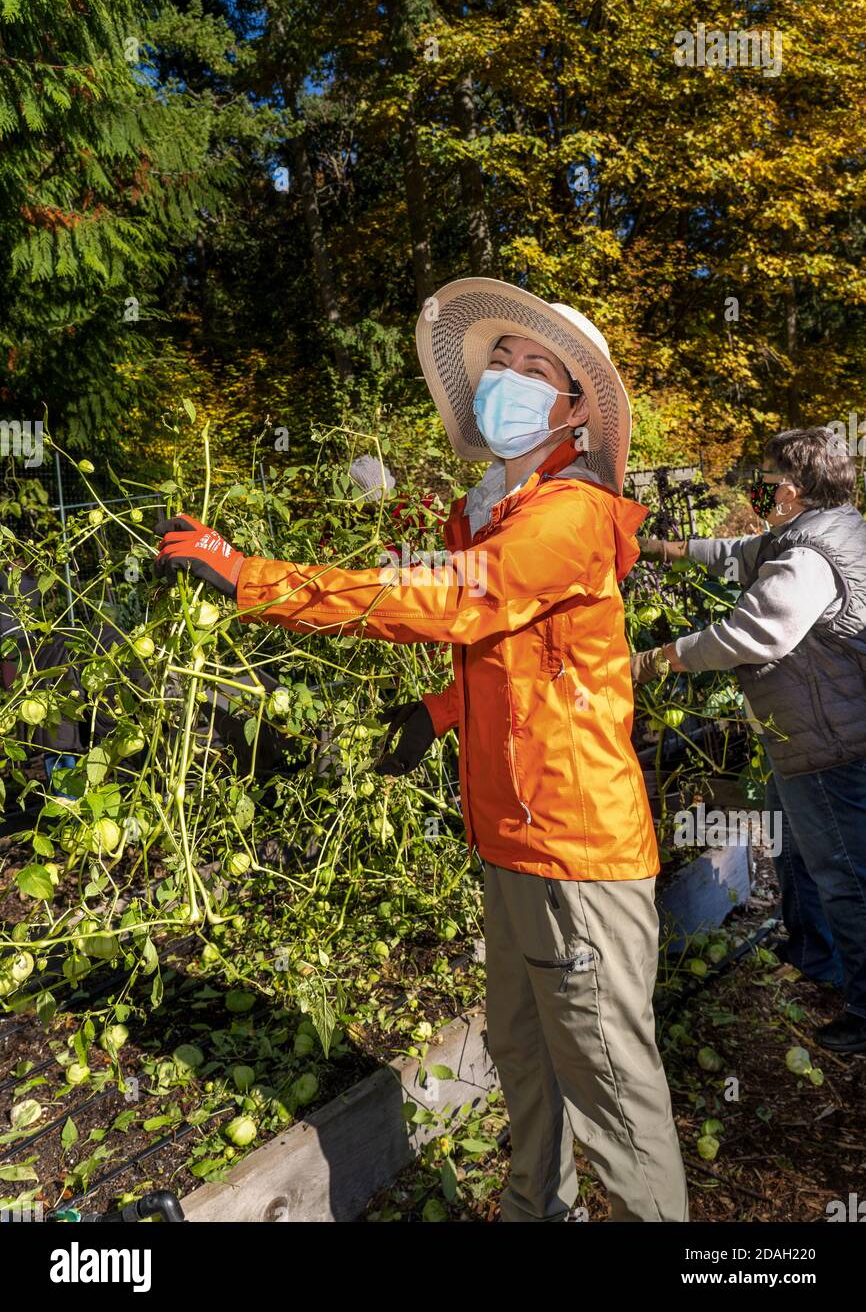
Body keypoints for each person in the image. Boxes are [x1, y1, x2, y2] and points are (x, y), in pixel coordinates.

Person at [154, 275, 689, 1223]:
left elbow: (455, 598)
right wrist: (443, 713)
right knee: (527, 1066)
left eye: (539, 368)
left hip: (578, 853)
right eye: (502, 361)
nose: (510, 377)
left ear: (575, 408)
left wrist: (251, 579)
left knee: (613, 1095)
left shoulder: (570, 513)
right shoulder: (505, 507)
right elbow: (520, 661)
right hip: (510, 842)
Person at [633, 426, 866, 1054]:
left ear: (790, 487)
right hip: (820, 732)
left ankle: (864, 1012)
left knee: (846, 875)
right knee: (802, 857)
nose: (757, 488)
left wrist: (655, 661)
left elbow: (754, 633)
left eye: (765, 477)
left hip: (830, 742)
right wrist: (654, 548)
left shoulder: (808, 558)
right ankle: (817, 958)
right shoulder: (827, 529)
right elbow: (737, 551)